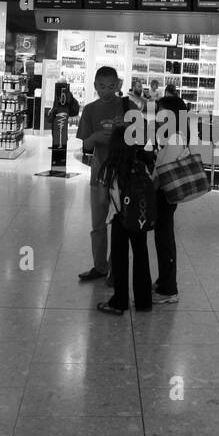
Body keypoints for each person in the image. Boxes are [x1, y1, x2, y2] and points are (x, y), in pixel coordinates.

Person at [96, 126, 155, 315]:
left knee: (120, 259)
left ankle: (120, 301)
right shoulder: (142, 163)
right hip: (140, 218)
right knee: (141, 256)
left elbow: (102, 200)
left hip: (119, 219)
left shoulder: (110, 167)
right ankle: (144, 301)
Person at [77, 67, 128, 284]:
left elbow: (140, 138)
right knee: (98, 224)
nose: (106, 91)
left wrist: (123, 131)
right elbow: (85, 144)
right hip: (98, 173)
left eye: (111, 86)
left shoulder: (128, 106)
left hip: (123, 175)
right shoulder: (89, 110)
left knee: (120, 225)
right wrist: (96, 136)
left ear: (118, 85)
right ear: (95, 85)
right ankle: (100, 266)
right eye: (101, 86)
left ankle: (116, 269)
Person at [153, 92, 188, 305]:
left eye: (160, 111)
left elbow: (162, 168)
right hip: (165, 193)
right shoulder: (170, 134)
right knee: (162, 238)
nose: (157, 115)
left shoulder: (175, 137)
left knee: (165, 240)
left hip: (164, 193)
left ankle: (169, 289)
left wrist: (150, 186)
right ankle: (163, 281)